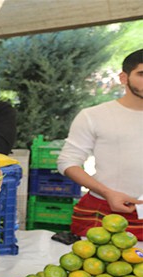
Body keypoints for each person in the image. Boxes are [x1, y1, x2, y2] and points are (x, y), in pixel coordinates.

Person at [57, 49, 143, 239]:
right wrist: (107, 192)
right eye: (141, 74)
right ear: (123, 77)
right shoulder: (93, 115)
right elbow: (67, 162)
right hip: (103, 211)